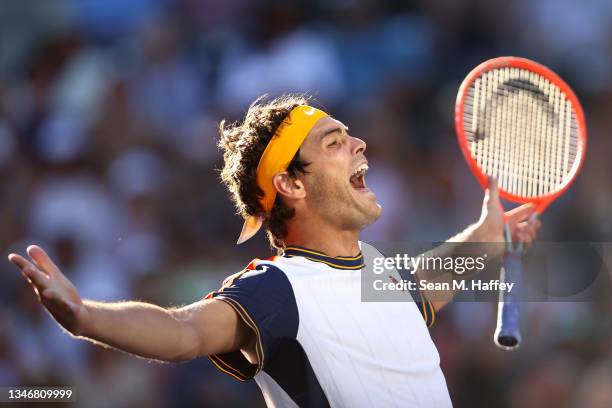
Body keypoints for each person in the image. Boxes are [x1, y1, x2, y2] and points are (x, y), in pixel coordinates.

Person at [8, 94, 541, 407]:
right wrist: (84, 317)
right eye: (334, 142)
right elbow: (183, 332)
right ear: (292, 185)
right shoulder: (276, 287)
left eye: (349, 136)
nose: (358, 144)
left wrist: (488, 235)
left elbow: (427, 282)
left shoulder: (373, 269)